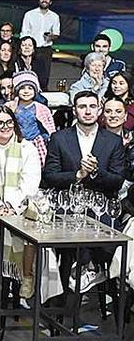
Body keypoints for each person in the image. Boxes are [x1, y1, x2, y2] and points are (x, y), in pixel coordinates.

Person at [41, 91, 125, 292]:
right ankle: (79, 270)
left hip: (100, 206)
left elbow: (117, 181)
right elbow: (50, 176)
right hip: (68, 205)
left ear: (99, 110)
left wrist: (96, 173)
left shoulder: (112, 141)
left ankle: (88, 268)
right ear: (74, 110)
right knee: (70, 233)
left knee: (102, 231)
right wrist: (78, 174)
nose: (88, 111)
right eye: (82, 107)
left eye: (92, 106)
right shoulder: (59, 138)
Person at [0, 105, 44, 303]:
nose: (5, 127)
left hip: (22, 205)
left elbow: (30, 182)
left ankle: (27, 276)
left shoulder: (27, 147)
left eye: (9, 122)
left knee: (28, 231)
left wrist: (11, 207)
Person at [20, 0, 58, 90]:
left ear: (50, 2)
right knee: (29, 73)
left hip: (46, 49)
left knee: (44, 77)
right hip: (31, 49)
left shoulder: (54, 16)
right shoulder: (29, 14)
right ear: (39, 0)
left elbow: (56, 34)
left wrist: (50, 37)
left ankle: (43, 94)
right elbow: (24, 32)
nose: (44, 0)